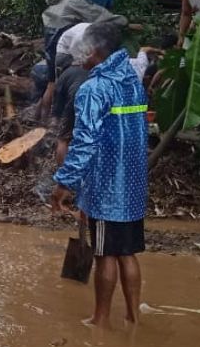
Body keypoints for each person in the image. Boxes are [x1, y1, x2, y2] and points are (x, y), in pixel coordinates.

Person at [50, 22, 149, 329]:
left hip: (107, 186)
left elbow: (84, 142)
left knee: (105, 254)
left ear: (93, 51)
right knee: (127, 253)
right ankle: (133, 317)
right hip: (133, 183)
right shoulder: (131, 79)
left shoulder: (94, 89)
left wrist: (64, 183)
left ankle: (100, 319)